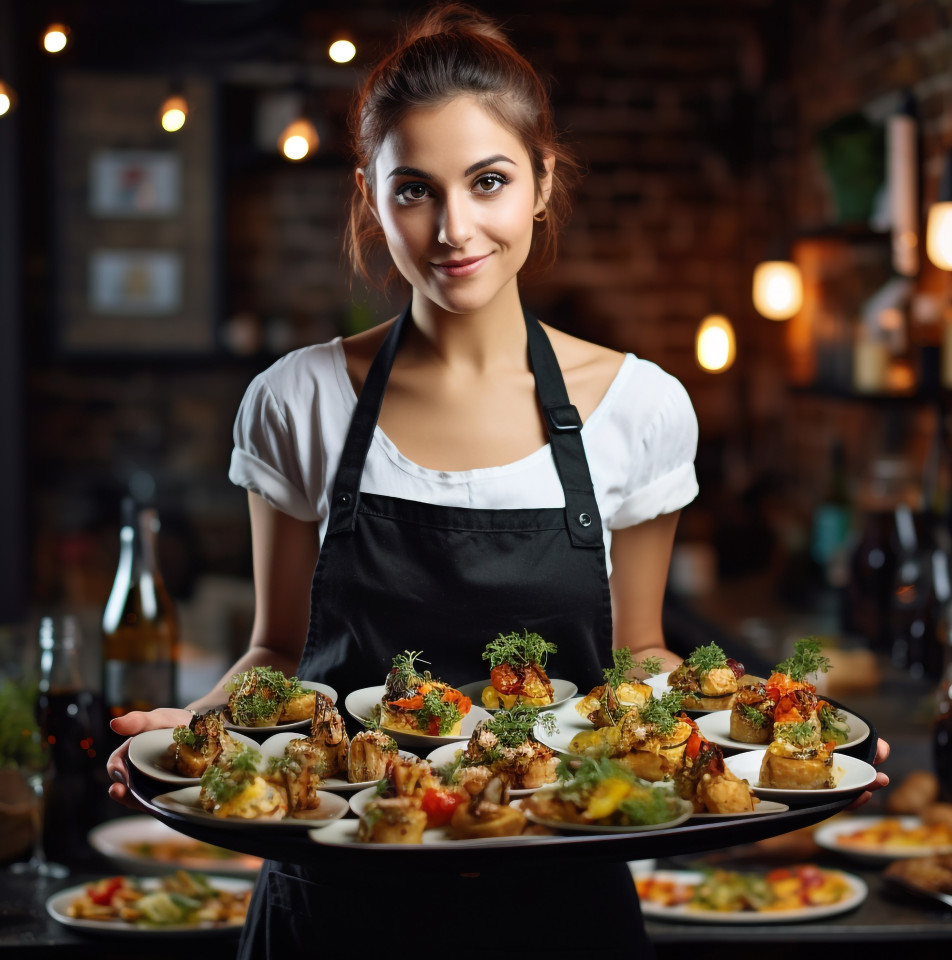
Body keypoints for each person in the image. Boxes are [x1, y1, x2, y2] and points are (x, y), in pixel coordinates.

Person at [108, 5, 888, 956]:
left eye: (488, 182)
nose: (453, 229)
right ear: (369, 196)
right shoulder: (298, 399)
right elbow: (277, 653)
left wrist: (774, 726)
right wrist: (184, 728)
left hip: (562, 898)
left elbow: (639, 658)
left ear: (543, 182)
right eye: (414, 191)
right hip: (334, 904)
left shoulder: (638, 407)